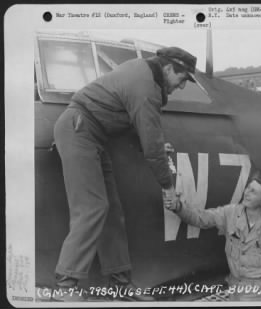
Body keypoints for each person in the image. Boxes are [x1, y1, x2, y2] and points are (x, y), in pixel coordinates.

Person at [53, 46, 197, 301]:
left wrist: (150, 142)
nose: (182, 86)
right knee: (92, 208)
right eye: (182, 78)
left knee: (111, 212)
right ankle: (65, 287)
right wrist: (168, 186)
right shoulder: (146, 87)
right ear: (167, 68)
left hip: (92, 135)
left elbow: (127, 113)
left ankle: (119, 285)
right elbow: (153, 149)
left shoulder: (142, 73)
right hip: (81, 131)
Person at [164, 169, 261, 301]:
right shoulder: (230, 213)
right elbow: (201, 218)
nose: (246, 193)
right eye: (248, 188)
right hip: (235, 291)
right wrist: (178, 207)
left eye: (253, 191)